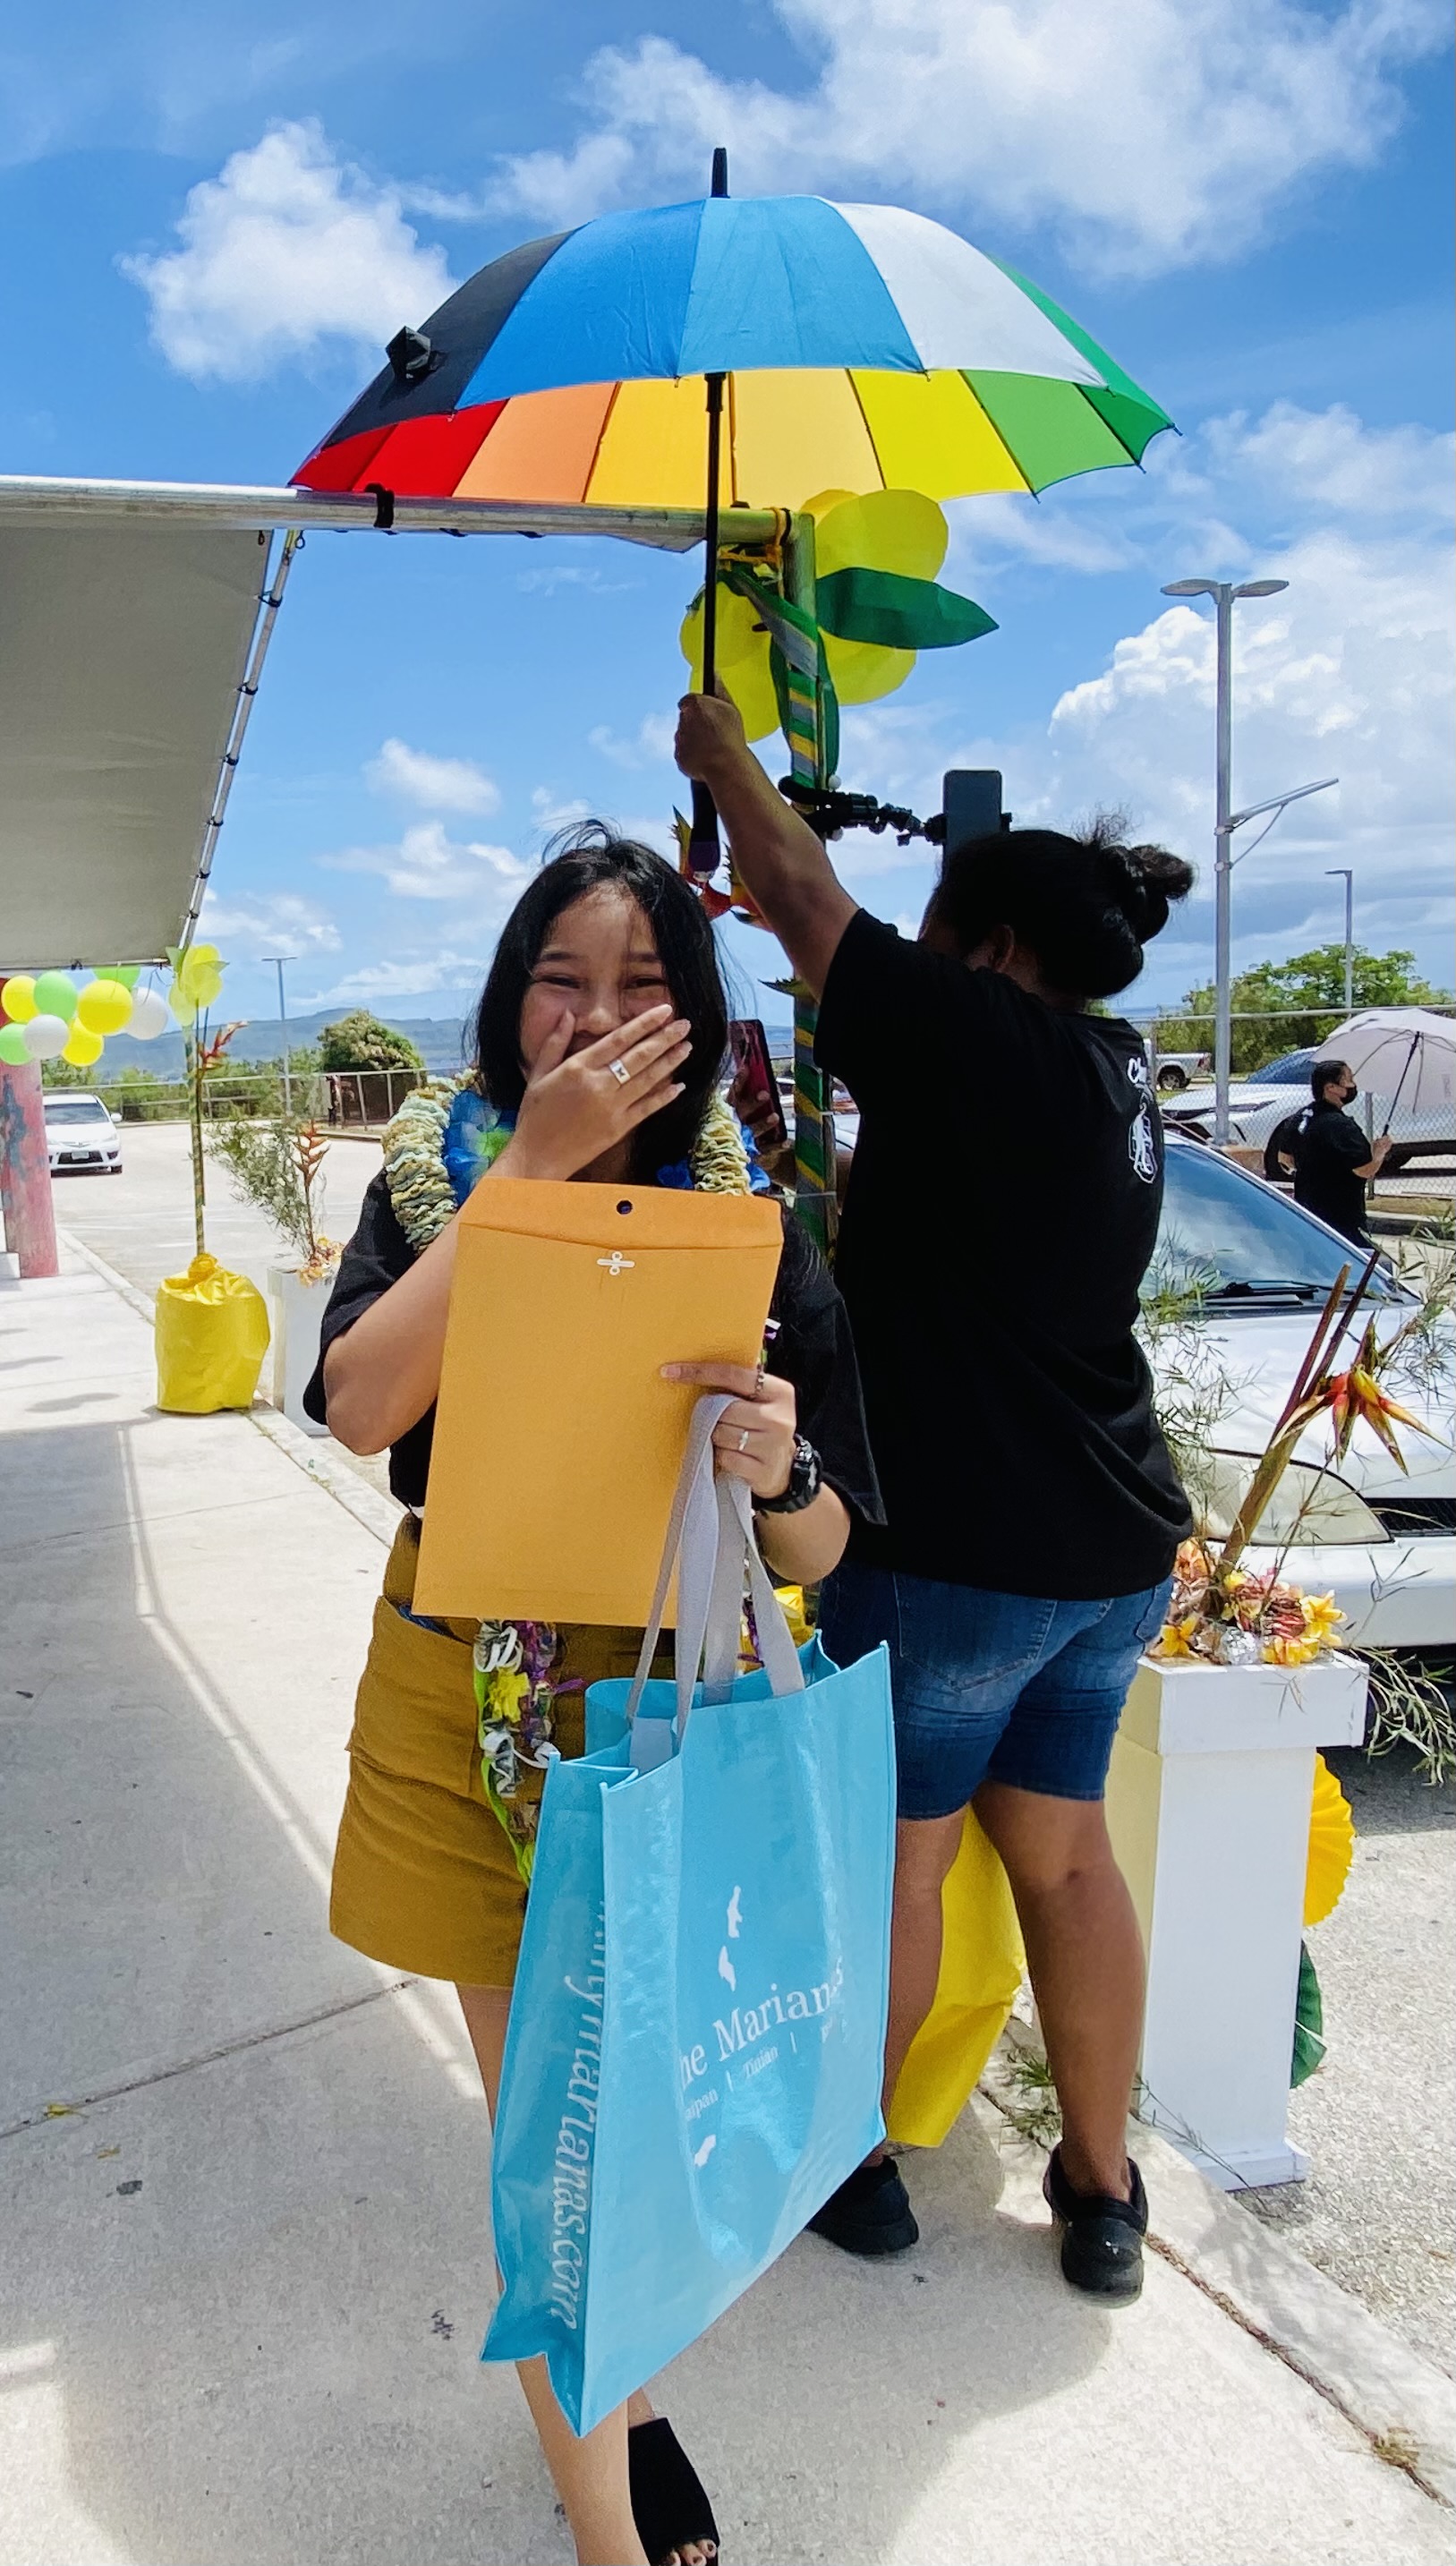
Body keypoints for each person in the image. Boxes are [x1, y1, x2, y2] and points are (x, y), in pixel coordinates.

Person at [304, 826, 881, 2566]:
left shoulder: (748, 1213)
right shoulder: (430, 1173)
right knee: (556, 2134)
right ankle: (612, 2518)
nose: (595, 1016)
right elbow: (353, 1406)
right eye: (562, 977)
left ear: (696, 1018)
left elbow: (835, 1529)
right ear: (507, 1000)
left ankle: (620, 2399)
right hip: (474, 1686)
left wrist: (779, 1469)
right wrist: (519, 1187)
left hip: (673, 1703)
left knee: (641, 2113)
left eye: (641, 984)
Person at [675, 695, 1193, 2308]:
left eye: (936, 939)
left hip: (966, 1554)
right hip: (1107, 1546)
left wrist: (722, 766)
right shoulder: (1108, 1070)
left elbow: (810, 906)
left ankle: (856, 2162)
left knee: (898, 1868)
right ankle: (1100, 2185)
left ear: (983, 955)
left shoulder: (989, 1038)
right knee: (1064, 1856)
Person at [1292, 1058, 1390, 1248]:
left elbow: (1284, 1157)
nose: (1353, 1085)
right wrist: (1380, 1152)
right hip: (1342, 1218)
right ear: (1331, 1088)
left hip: (1308, 1213)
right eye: (1349, 1079)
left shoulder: (1302, 1117)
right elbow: (1363, 1170)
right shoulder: (1340, 1126)